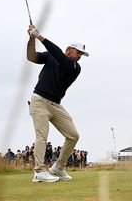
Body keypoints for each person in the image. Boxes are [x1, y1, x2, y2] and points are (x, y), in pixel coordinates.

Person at [27, 25, 89, 183]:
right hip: (39, 101)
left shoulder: (75, 67)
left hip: (55, 105)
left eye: (82, 54)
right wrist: (32, 38)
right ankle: (39, 171)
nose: (80, 56)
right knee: (42, 136)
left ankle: (58, 167)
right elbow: (31, 57)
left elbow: (60, 58)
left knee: (73, 135)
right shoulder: (50, 56)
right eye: (78, 52)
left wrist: (41, 37)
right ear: (69, 49)